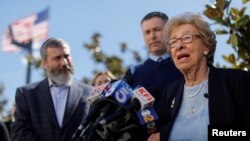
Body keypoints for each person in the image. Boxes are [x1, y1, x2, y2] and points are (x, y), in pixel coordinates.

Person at [156, 12, 250, 141]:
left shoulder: (236, 81)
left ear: (206, 46)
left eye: (187, 38)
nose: (179, 46)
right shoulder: (170, 92)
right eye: (173, 42)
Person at [11, 38, 94, 141]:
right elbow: (19, 135)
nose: (64, 62)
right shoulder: (26, 95)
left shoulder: (90, 93)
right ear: (44, 64)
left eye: (67, 56)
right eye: (57, 58)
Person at [123, 11, 182, 102]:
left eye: (157, 29)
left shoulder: (184, 62)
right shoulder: (133, 73)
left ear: (170, 31)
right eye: (147, 32)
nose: (152, 36)